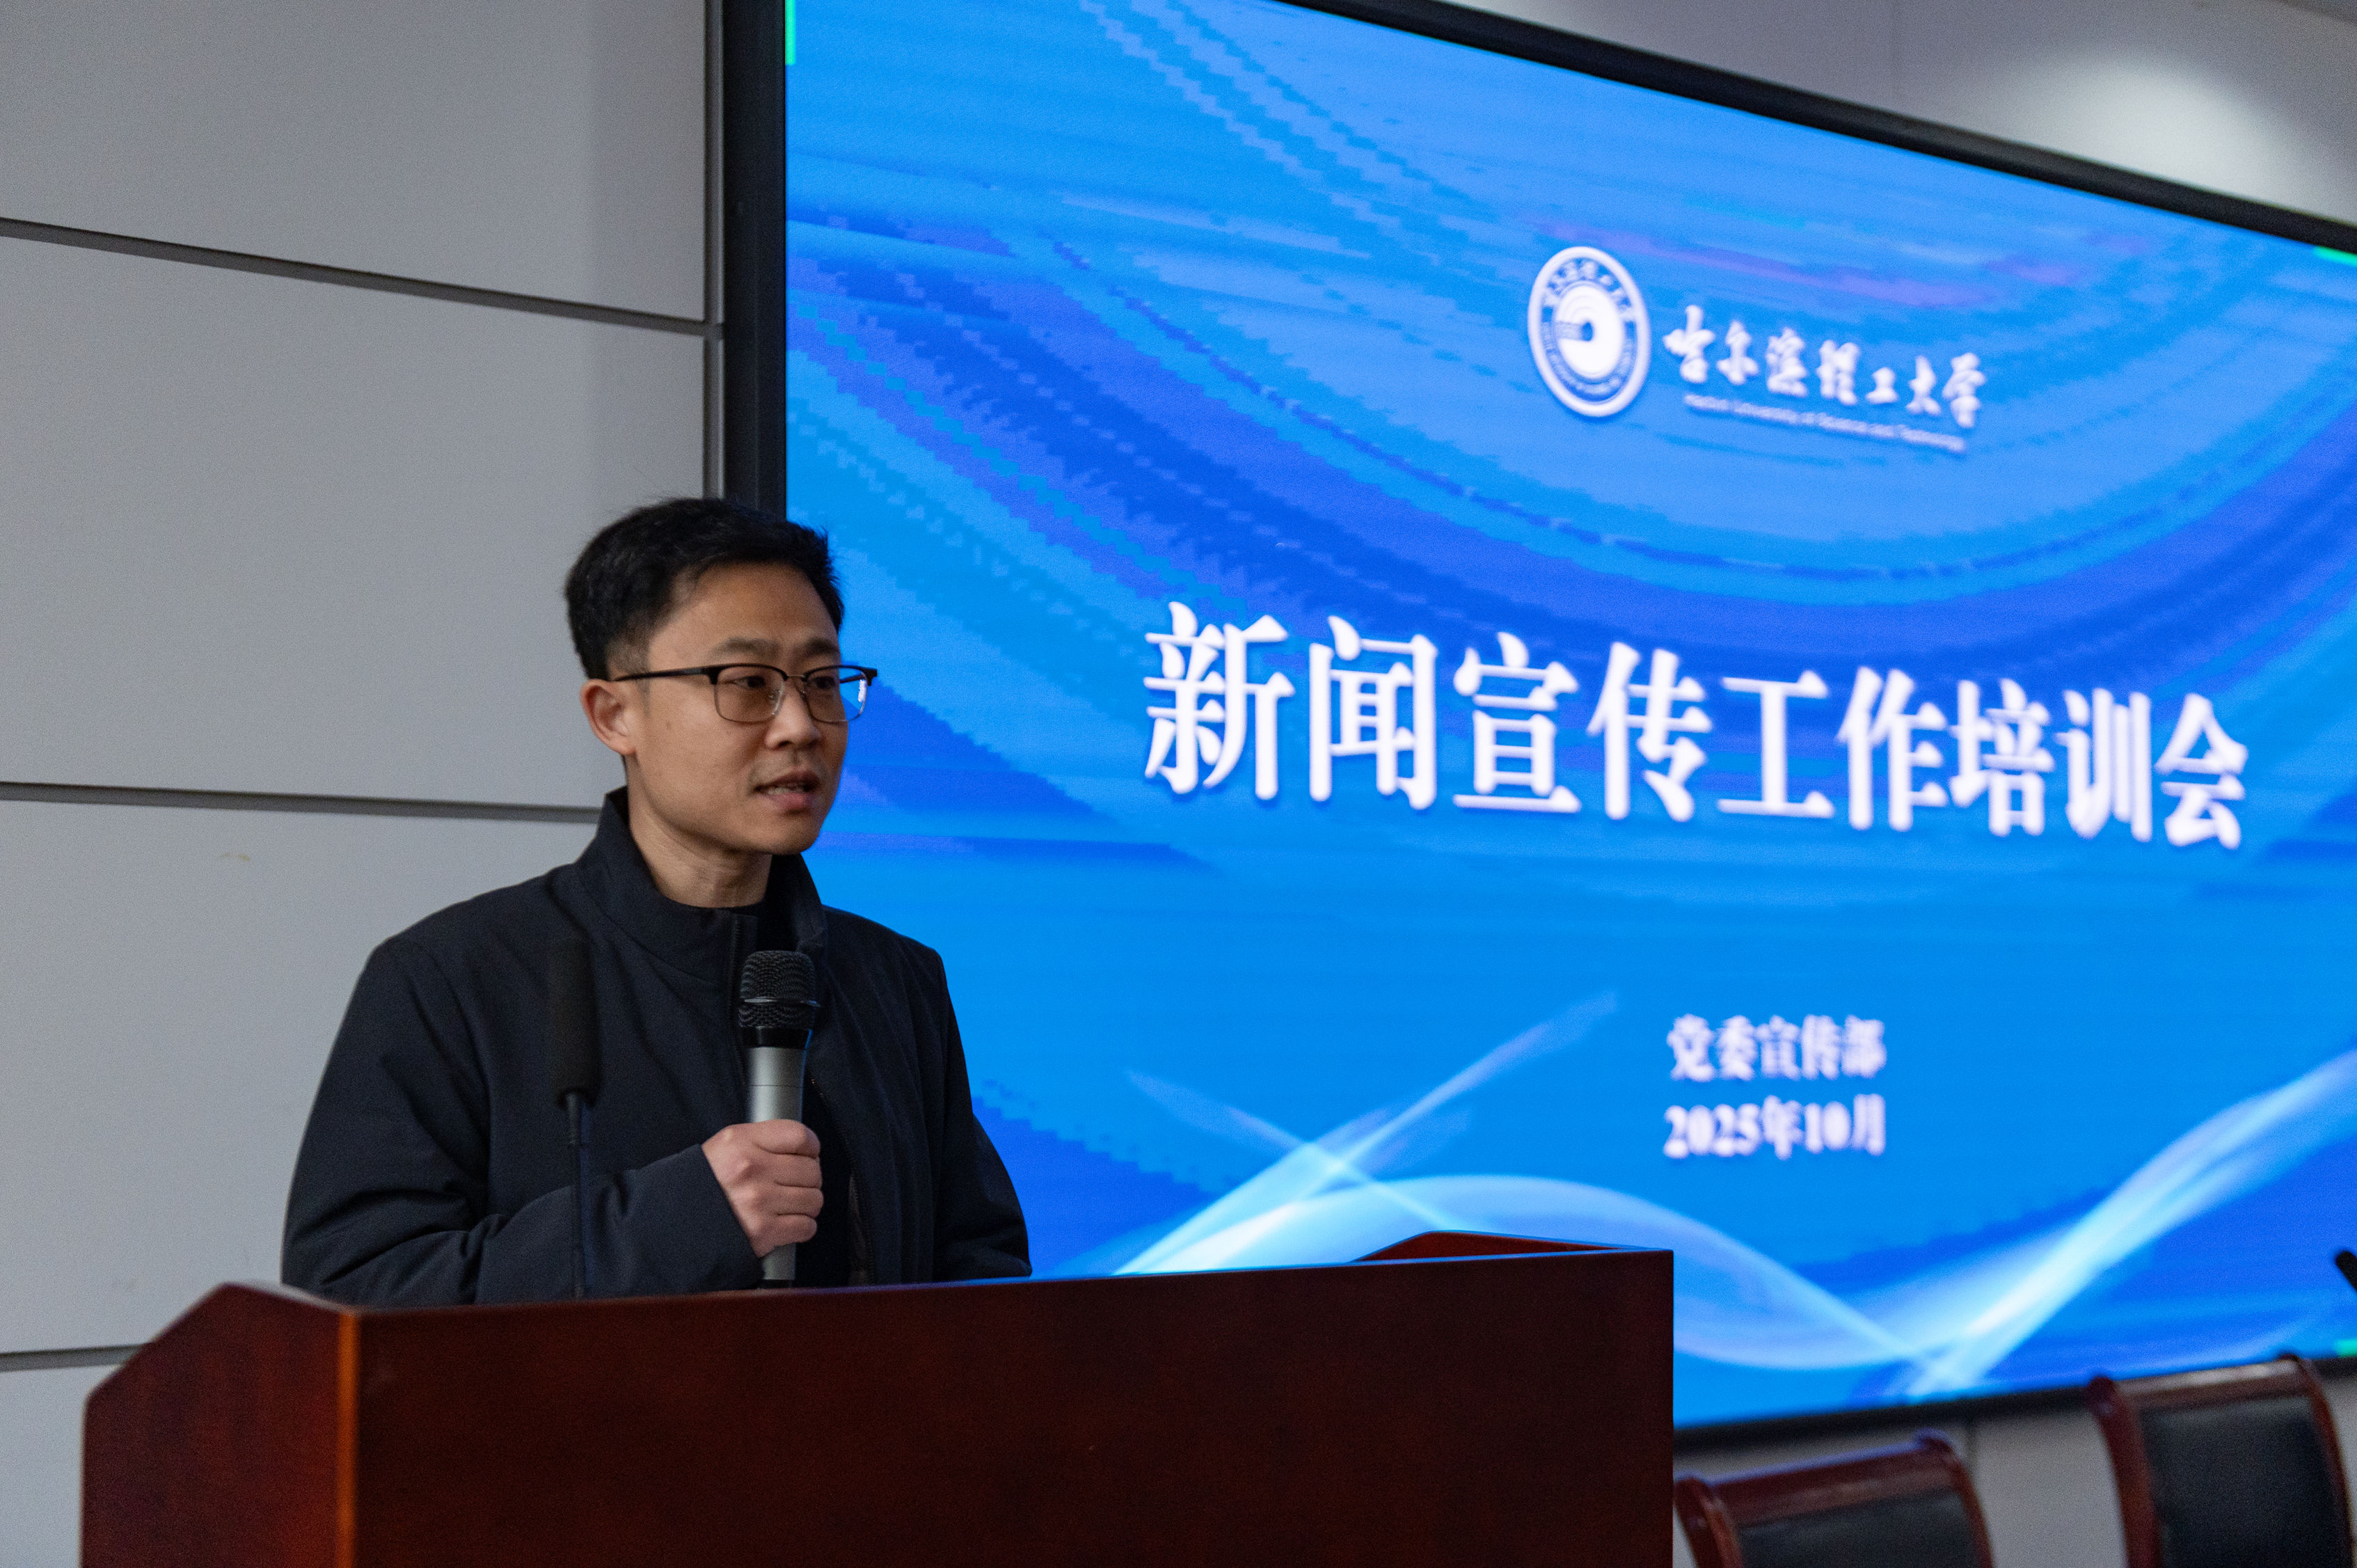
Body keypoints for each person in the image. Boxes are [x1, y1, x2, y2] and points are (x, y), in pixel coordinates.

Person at [282, 498, 1028, 1302]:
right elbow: (358, 1287)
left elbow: (978, 1272)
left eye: (820, 682)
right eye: (748, 683)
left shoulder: (895, 980)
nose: (800, 727)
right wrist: (689, 1217)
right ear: (615, 715)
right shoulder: (453, 979)